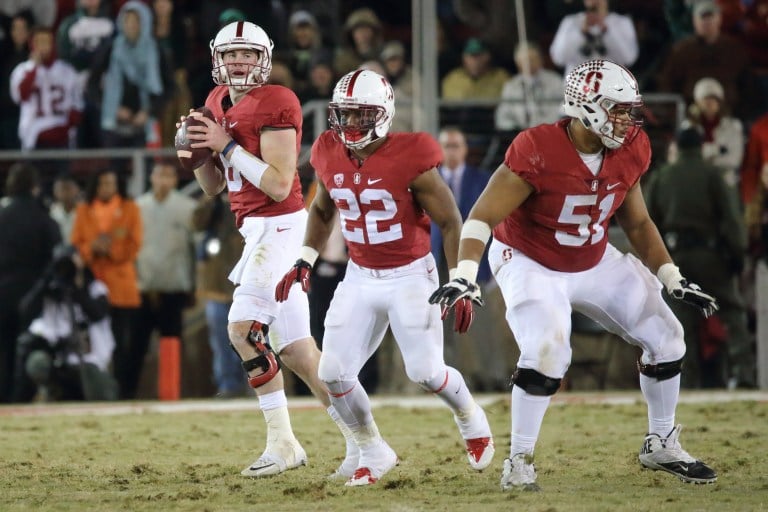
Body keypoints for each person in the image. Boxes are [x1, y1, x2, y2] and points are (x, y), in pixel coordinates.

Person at [430, 59, 719, 490]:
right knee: (548, 352)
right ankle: (519, 461)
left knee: (668, 337)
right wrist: (466, 271)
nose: (628, 121)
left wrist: (671, 275)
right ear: (587, 107)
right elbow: (481, 217)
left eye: (628, 111)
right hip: (529, 258)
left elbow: (637, 223)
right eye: (618, 110)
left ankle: (661, 442)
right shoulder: (538, 147)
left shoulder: (631, 147)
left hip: (591, 256)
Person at [275, 69, 494, 486]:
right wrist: (305, 258)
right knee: (333, 373)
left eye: (361, 116)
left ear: (384, 113)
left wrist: (462, 278)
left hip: (411, 274)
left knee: (426, 372)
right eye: (344, 116)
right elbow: (323, 209)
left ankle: (469, 415)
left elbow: (450, 221)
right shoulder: (328, 149)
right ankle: (372, 449)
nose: (351, 125)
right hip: (359, 274)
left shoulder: (412, 155)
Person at [181, 20, 354, 478]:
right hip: (255, 230)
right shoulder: (215, 102)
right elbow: (215, 188)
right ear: (217, 58)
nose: (239, 62)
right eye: (231, 54)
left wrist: (225, 145)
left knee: (243, 330)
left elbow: (279, 185)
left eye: (248, 54)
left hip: (281, 226)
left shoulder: (278, 101)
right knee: (298, 351)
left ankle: (283, 443)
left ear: (265, 59)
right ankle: (366, 441)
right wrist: (199, 156)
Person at [646, 127, 753, 389]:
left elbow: (647, 222)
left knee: (681, 321)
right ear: (700, 147)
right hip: (711, 256)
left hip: (674, 257)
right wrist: (738, 254)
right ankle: (743, 375)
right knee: (730, 312)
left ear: (678, 148)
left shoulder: (662, 177)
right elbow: (731, 219)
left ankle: (685, 382)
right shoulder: (713, 175)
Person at [431, 126, 511, 391]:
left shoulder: (482, 180)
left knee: (482, 323)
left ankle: (494, 376)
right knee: (437, 322)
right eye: (446, 146)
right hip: (437, 260)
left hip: (474, 263)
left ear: (465, 150)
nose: (451, 151)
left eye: (456, 146)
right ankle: (447, 378)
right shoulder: (430, 181)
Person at [13, 244, 118, 402]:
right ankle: (52, 392)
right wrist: (46, 280)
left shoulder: (95, 288)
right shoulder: (51, 292)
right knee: (37, 363)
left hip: (89, 361)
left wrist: (75, 288)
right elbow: (24, 310)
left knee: (102, 393)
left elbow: (97, 313)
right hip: (58, 360)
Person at [70, 168, 142, 399]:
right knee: (91, 342)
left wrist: (110, 250)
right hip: (92, 288)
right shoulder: (84, 210)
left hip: (121, 287)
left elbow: (134, 244)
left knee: (122, 343)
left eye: (111, 183)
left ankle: (122, 391)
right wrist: (91, 249)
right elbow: (75, 243)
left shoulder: (130, 208)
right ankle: (93, 390)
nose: (107, 188)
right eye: (102, 183)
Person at [134, 161, 196, 400]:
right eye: (159, 174)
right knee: (136, 347)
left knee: (173, 344)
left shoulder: (187, 208)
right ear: (151, 177)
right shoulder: (137, 208)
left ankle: (173, 393)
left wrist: (193, 286)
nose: (163, 180)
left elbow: (194, 251)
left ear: (175, 180)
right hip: (142, 287)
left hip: (175, 287)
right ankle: (127, 392)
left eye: (168, 175)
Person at [0, 163, 61, 402]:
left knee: (3, 348)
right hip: (33, 294)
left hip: (2, 292)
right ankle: (21, 398)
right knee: (28, 348)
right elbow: (55, 262)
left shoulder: (2, 217)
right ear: (35, 187)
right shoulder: (44, 219)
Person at [192, 193, 249, 398]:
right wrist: (210, 198)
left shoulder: (252, 194)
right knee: (220, 340)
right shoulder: (213, 201)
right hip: (217, 284)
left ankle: (256, 382)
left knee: (253, 337)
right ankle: (228, 384)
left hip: (248, 282)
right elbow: (196, 223)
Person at [9, 25, 83, 150]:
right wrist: (34, 70)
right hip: (32, 137)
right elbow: (21, 96)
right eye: (39, 42)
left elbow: (77, 107)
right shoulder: (22, 70)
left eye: (46, 41)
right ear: (32, 45)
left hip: (62, 135)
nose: (43, 46)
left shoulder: (67, 71)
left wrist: (66, 128)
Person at [549, 0, 638, 77]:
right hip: (578, 89)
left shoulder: (622, 22)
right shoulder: (570, 22)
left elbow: (628, 58)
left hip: (611, 88)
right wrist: (581, 33)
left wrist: (605, 29)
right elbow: (558, 58)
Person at [49, 173, 82, 242]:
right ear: (55, 192)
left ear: (77, 189)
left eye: (67, 188)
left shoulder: (86, 211)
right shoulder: (52, 212)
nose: (64, 193)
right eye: (60, 189)